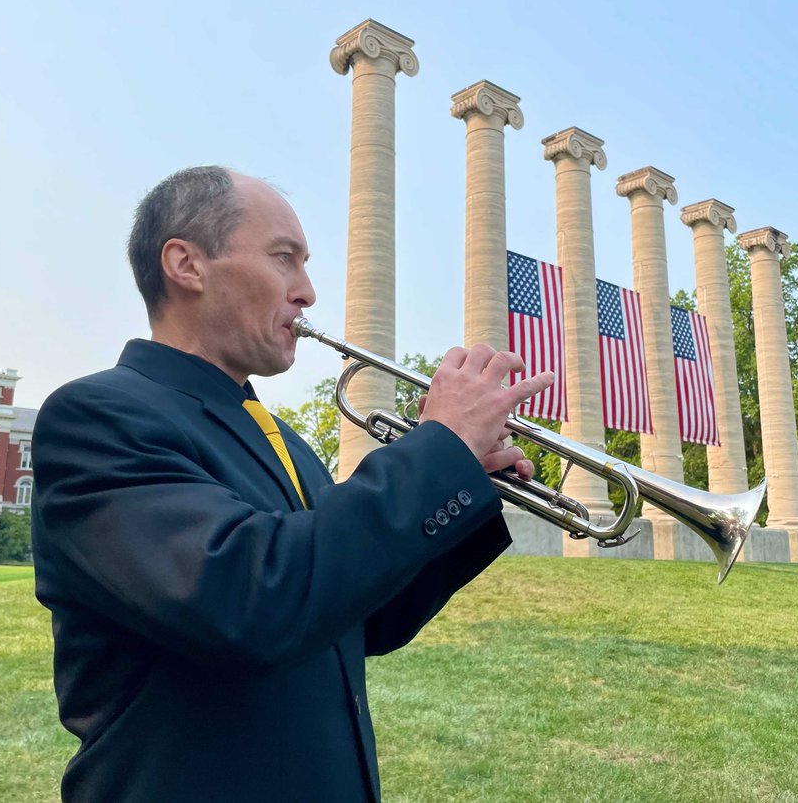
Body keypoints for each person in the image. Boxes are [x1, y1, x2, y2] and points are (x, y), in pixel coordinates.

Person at [32, 166, 552, 802]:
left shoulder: (282, 439)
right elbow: (253, 601)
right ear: (186, 264)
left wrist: (460, 479)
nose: (307, 292)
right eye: (285, 259)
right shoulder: (97, 417)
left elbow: (360, 615)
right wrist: (436, 454)